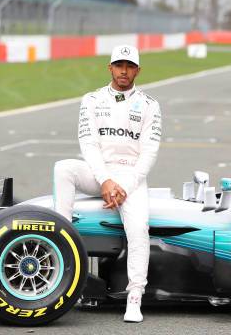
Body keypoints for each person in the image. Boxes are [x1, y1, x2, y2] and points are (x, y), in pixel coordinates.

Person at [52, 44, 161, 323]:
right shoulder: (91, 99)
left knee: (139, 230)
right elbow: (88, 144)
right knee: (63, 168)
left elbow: (149, 152)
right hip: (99, 172)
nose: (124, 71)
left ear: (137, 70)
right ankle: (61, 246)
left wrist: (123, 185)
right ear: (110, 67)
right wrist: (105, 181)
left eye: (129, 66)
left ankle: (135, 297)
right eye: (119, 65)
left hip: (132, 178)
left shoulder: (150, 105)